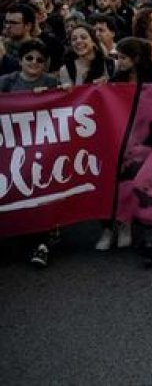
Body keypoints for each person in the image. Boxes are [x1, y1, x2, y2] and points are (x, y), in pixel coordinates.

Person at [0, 39, 61, 268]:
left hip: (43, 148)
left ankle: (42, 244)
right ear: (20, 60)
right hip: (10, 148)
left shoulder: (51, 81)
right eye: (29, 58)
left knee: (41, 194)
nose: (34, 63)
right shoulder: (6, 83)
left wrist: (61, 92)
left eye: (40, 60)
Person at [108, 37, 152, 266]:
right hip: (126, 143)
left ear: (136, 59)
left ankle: (151, 240)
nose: (119, 62)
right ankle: (132, 227)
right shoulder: (116, 81)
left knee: (150, 187)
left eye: (123, 58)